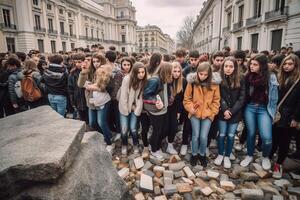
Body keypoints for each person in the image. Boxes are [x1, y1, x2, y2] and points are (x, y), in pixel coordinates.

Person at [240, 54, 278, 170]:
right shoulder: (247, 77)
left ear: (262, 66)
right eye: (251, 63)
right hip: (250, 107)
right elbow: (244, 94)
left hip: (264, 109)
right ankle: (249, 155)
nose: (251, 66)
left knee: (266, 137)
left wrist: (273, 111)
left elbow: (274, 97)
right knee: (251, 133)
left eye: (255, 64)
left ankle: (265, 156)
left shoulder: (271, 77)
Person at [183, 62, 220, 167]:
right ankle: (194, 154)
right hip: (195, 113)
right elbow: (187, 98)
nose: (202, 76)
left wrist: (212, 113)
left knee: (204, 136)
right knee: (195, 135)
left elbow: (216, 100)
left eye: (205, 74)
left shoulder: (214, 84)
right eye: (201, 74)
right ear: (197, 73)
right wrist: (191, 108)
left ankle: (202, 154)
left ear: (209, 74)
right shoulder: (192, 83)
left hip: (208, 114)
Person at [271, 54, 300, 178]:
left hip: (290, 115)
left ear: (296, 65)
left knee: (285, 141)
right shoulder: (279, 77)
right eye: (286, 64)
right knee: (274, 137)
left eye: (290, 64)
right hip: (277, 112)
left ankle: (279, 164)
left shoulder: (298, 80)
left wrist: (296, 118)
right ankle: (269, 156)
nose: (287, 66)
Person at [214, 57, 246, 169]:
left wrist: (231, 111)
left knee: (231, 135)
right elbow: (218, 96)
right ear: (223, 67)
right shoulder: (219, 78)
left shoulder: (241, 79)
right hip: (222, 112)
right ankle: (220, 154)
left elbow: (242, 98)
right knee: (222, 134)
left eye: (231, 66)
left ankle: (227, 155)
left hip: (235, 113)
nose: (228, 69)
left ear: (235, 67)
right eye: (226, 66)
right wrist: (225, 109)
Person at [143, 62, 173, 159]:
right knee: (157, 130)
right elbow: (146, 95)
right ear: (166, 71)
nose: (172, 73)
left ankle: (157, 146)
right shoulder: (155, 80)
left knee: (163, 130)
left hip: (163, 110)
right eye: (171, 71)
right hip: (156, 110)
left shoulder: (165, 79)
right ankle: (154, 149)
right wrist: (156, 101)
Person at [119, 62, 147, 155]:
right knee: (124, 129)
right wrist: (128, 108)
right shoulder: (127, 79)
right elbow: (123, 97)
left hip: (135, 106)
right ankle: (124, 144)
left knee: (133, 129)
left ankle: (135, 144)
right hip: (124, 106)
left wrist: (136, 109)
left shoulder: (143, 81)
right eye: (139, 72)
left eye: (143, 72)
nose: (141, 74)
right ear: (135, 72)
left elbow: (140, 98)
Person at [166, 62, 187, 155]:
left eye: (179, 71)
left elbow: (182, 98)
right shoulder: (166, 80)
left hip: (176, 108)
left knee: (174, 127)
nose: (177, 73)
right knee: (164, 127)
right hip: (165, 108)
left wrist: (179, 111)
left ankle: (170, 145)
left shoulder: (183, 81)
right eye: (174, 71)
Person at [68, 53, 88, 123]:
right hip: (78, 100)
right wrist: (72, 101)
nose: (77, 64)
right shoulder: (72, 73)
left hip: (88, 99)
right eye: (75, 62)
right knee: (83, 120)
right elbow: (70, 89)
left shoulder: (88, 71)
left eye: (79, 62)